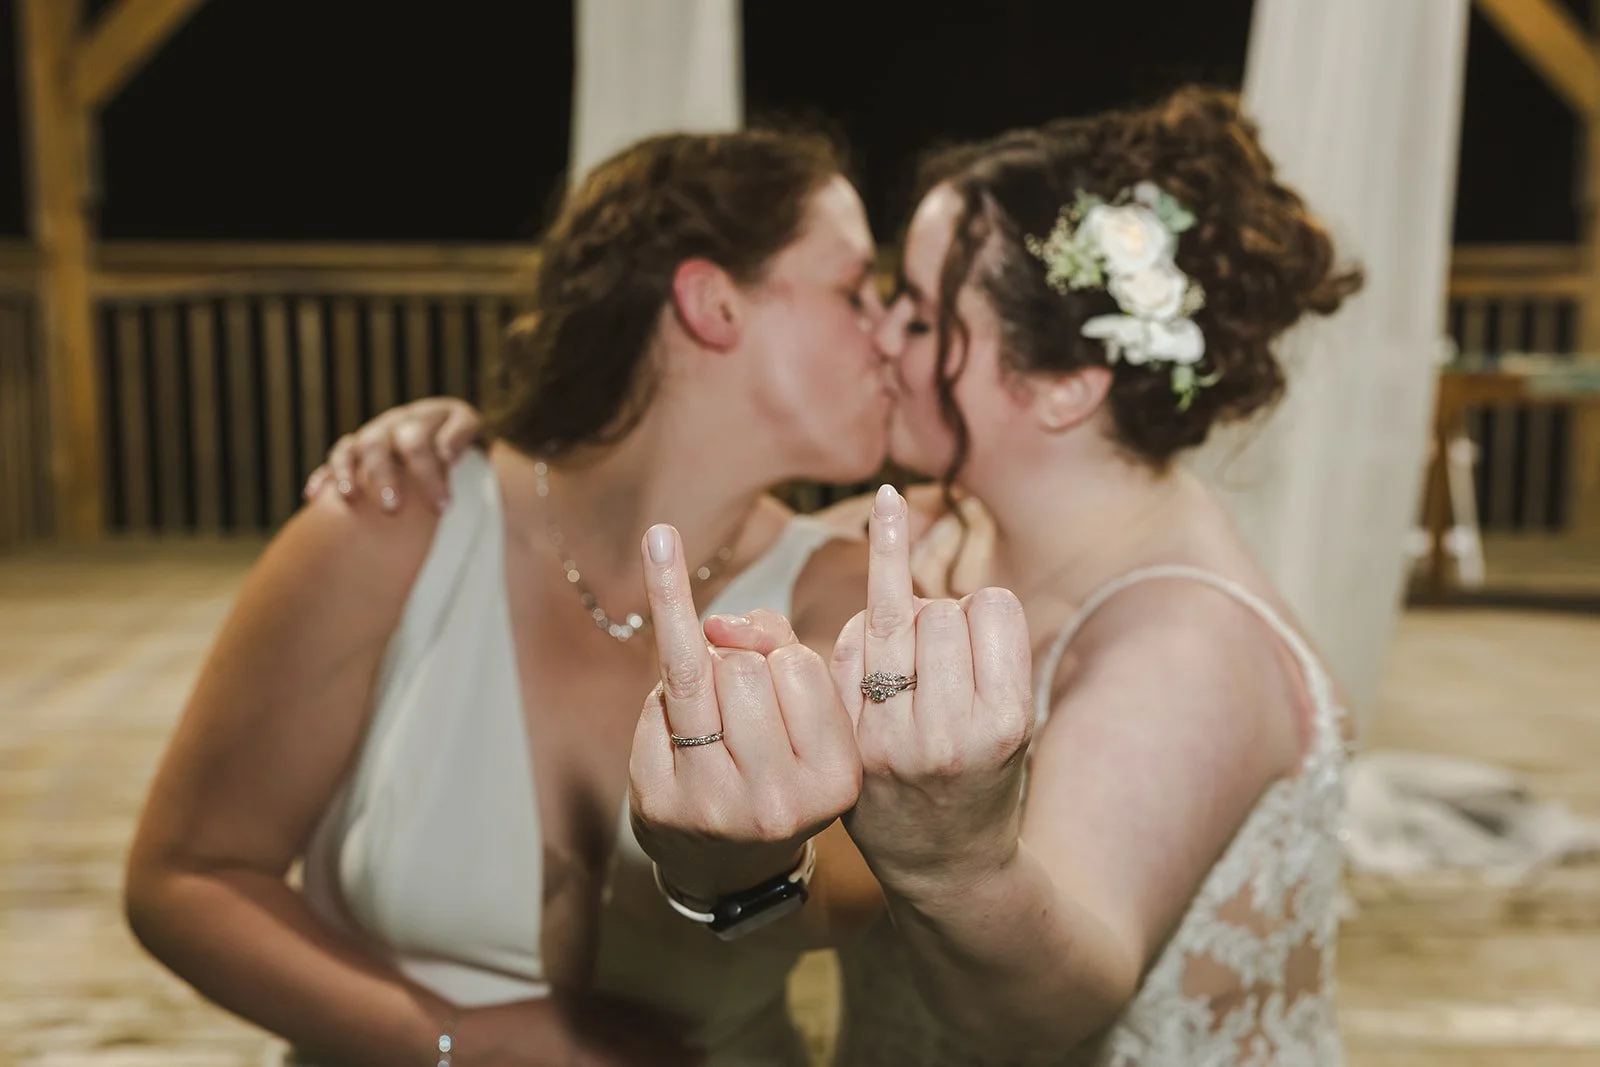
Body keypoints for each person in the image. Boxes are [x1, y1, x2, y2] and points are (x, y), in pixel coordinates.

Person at [324, 86, 1363, 1065]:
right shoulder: (933, 539)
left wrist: (955, 861)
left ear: (1060, 383)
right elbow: (698, 515)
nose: (883, 339)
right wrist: (465, 448)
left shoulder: (1181, 644)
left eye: (918, 310)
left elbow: (1047, 1007)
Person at [124, 127, 897, 1067]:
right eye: (856, 291)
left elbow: (847, 899)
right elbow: (187, 875)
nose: (889, 332)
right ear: (714, 303)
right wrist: (454, 1041)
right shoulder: (396, 523)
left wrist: (756, 868)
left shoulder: (846, 593)